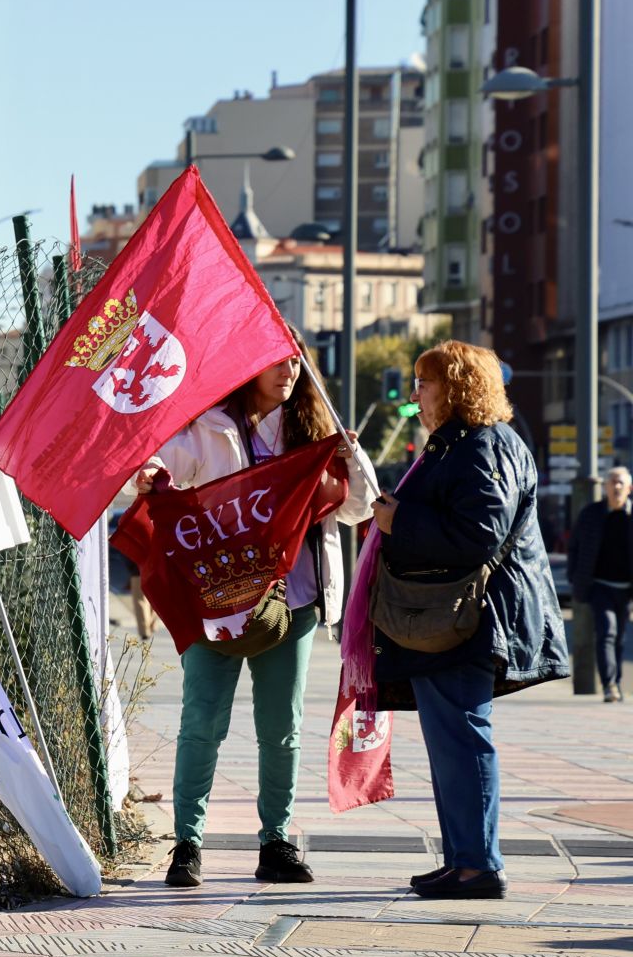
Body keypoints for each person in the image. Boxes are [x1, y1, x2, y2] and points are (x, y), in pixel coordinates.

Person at [128, 331, 376, 889]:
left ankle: (276, 842)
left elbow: (360, 506)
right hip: (215, 601)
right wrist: (145, 477)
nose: (288, 371)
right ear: (250, 366)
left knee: (281, 729)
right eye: (277, 362)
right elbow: (155, 470)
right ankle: (187, 844)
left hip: (294, 603)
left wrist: (348, 457)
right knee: (201, 724)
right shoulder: (211, 426)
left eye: (296, 363)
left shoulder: (312, 433)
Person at [364, 341, 568, 899]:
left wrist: (398, 519)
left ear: (456, 387)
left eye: (424, 382)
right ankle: (463, 858)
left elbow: (479, 534)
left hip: (472, 618)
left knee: (462, 739)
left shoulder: (484, 446)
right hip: (453, 617)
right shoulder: (460, 444)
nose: (416, 393)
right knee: (450, 742)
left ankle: (479, 865)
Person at [566, 465, 633, 702]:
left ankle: (615, 683)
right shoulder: (591, 514)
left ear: (629, 488)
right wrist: (575, 576)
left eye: (620, 483)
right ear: (604, 487)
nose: (616, 487)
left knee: (619, 637)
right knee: (607, 631)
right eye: (612, 482)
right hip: (599, 585)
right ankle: (609, 687)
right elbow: (574, 546)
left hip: (626, 589)